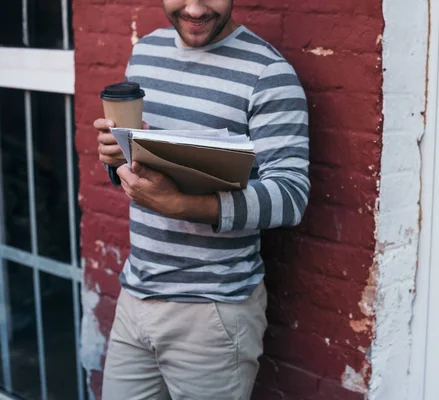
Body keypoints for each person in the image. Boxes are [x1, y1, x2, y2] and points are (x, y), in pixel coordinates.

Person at [93, 0, 309, 398]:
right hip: (137, 292)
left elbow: (291, 195)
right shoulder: (146, 51)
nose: (194, 8)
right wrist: (116, 158)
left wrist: (183, 206)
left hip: (212, 313)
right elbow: (139, 163)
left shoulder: (268, 72)